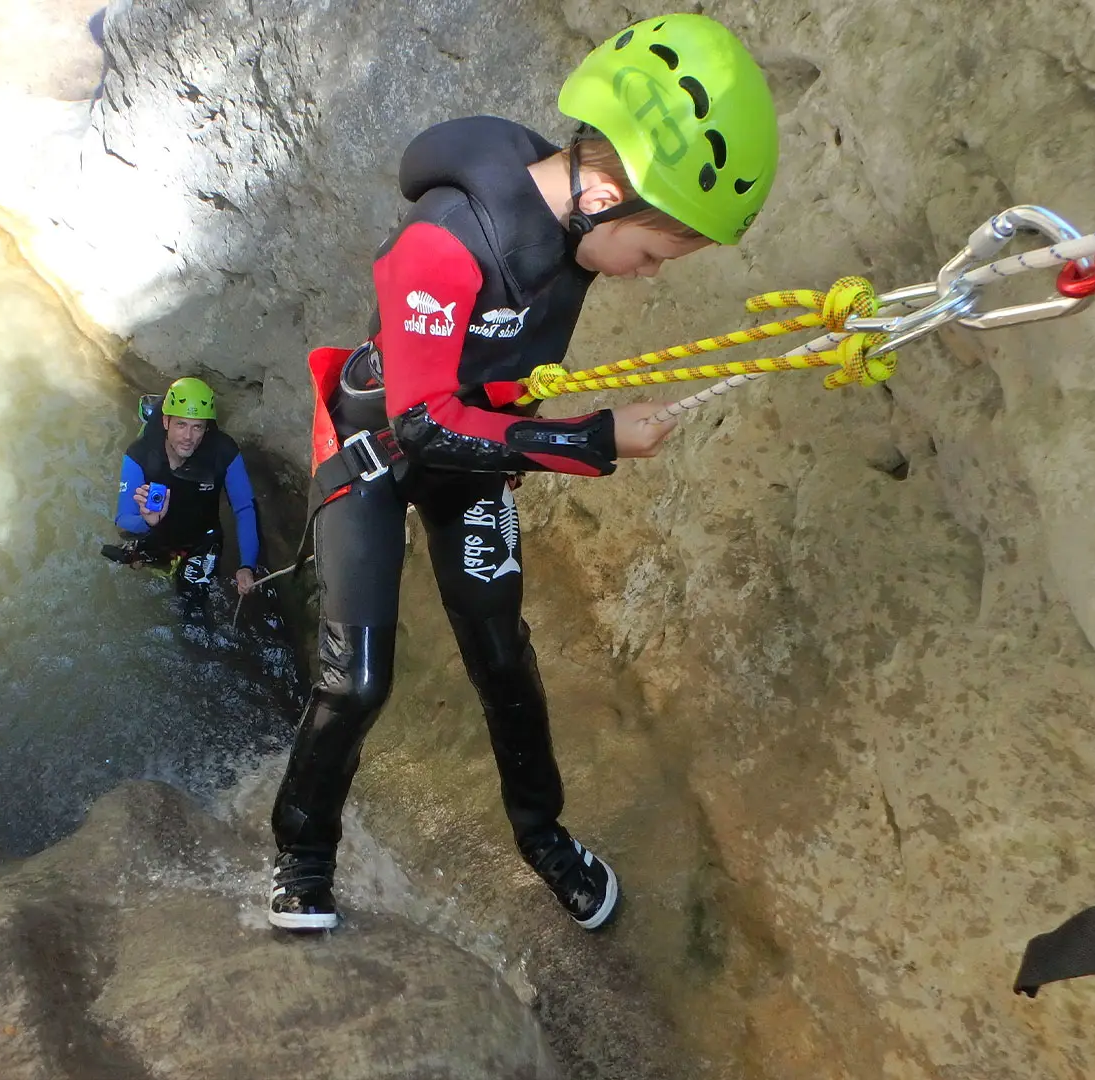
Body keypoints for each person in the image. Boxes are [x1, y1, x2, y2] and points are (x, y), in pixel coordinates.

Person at [266, 14, 779, 932]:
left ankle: (542, 839)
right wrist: (592, 441)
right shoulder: (445, 243)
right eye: (656, 252)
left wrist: (563, 434)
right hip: (378, 447)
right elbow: (423, 424)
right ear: (607, 192)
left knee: (503, 656)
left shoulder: (574, 231)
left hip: (479, 444)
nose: (649, 276)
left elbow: (482, 417)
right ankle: (303, 855)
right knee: (359, 679)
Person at [111, 377, 263, 596]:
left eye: (197, 427)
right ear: (166, 422)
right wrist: (146, 521)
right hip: (156, 533)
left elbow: (244, 508)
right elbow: (123, 520)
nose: (188, 437)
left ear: (206, 428)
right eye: (181, 424)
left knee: (194, 611)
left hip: (202, 539)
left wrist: (247, 565)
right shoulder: (140, 454)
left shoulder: (223, 452)